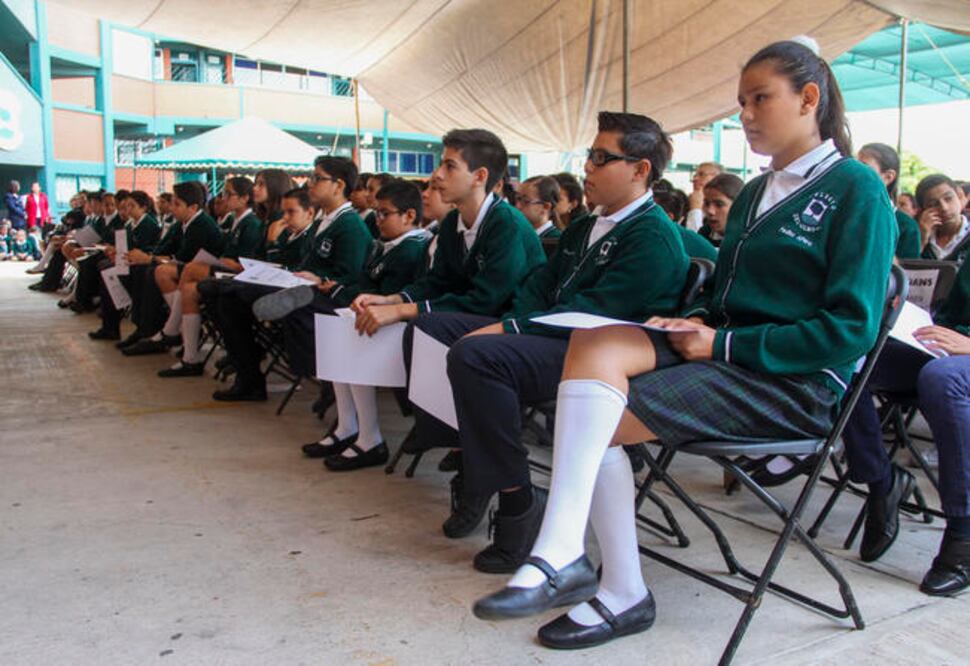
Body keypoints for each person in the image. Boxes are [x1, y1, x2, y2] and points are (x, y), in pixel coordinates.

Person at [472, 38, 896, 650]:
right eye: (740, 101)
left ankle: (614, 588)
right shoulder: (754, 191)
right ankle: (566, 554)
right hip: (730, 351)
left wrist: (721, 345)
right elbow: (725, 297)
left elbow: (850, 330)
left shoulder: (856, 189)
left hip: (795, 382)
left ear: (808, 99)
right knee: (594, 349)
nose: (745, 114)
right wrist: (693, 321)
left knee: (599, 417)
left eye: (760, 99)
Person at [439, 111, 689, 574]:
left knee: (476, 355)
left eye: (600, 158)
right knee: (443, 335)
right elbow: (538, 283)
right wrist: (515, 322)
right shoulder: (584, 225)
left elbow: (598, 313)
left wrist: (511, 330)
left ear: (640, 170)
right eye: (589, 156)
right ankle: (481, 467)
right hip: (561, 338)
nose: (587, 168)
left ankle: (515, 499)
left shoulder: (653, 236)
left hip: (601, 358)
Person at [349, 129, 545, 463]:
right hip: (475, 314)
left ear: (479, 177)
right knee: (382, 318)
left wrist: (405, 311)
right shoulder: (455, 220)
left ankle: (449, 430)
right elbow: (437, 281)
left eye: (449, 167)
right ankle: (439, 426)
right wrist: (393, 299)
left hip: (510, 322)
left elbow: (487, 300)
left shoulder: (506, 224)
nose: (436, 176)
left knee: (425, 326)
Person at [253, 180, 430, 469]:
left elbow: (387, 296)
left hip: (399, 327)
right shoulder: (386, 245)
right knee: (336, 330)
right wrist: (337, 289)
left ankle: (370, 437)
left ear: (409, 216)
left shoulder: (411, 249)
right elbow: (364, 285)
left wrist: (337, 290)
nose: (378, 220)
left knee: (346, 335)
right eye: (377, 213)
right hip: (371, 316)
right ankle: (347, 426)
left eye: (385, 213)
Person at [841, 255, 970, 594]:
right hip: (950, 351)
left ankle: (964, 532)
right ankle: (882, 481)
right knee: (847, 357)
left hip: (958, 363)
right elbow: (952, 316)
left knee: (943, 380)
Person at [208, 156, 371, 401]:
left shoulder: (350, 226)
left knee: (237, 295)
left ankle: (319, 376)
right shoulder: (323, 223)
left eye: (317, 178)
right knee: (219, 292)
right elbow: (304, 262)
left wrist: (319, 278)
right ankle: (248, 370)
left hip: (325, 296)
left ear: (338, 186)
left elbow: (350, 275)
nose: (310, 183)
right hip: (300, 285)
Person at [153, 176, 264, 376]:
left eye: (228, 194)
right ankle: (190, 358)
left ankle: (171, 329)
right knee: (188, 289)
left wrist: (230, 262)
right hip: (226, 268)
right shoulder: (237, 221)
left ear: (244, 198)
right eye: (223, 193)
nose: (223, 198)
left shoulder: (251, 223)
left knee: (191, 269)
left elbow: (246, 259)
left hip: (240, 274)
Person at [120, 182, 223, 355]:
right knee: (139, 269)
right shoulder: (181, 224)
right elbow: (163, 248)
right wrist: (147, 257)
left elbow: (182, 258)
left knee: (153, 271)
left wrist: (149, 258)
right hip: (185, 269)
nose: (171, 208)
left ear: (193, 207)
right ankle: (149, 328)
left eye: (177, 204)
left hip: (201, 272)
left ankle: (158, 330)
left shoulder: (201, 225)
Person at [857, 143, 921, 259]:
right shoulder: (845, 212)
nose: (854, 173)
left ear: (888, 177)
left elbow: (907, 271)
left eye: (863, 168)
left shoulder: (906, 226)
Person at [917, 174, 969, 263]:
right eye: (933, 204)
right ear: (923, 211)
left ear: (959, 196)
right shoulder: (921, 239)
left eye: (948, 199)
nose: (944, 208)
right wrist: (922, 240)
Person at [698, 173, 743, 247]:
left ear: (738, 206)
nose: (710, 211)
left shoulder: (751, 241)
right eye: (707, 203)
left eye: (719, 204)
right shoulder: (703, 235)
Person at [684, 161, 724, 231]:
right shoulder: (686, 204)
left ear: (717, 178)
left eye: (701, 175)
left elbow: (695, 240)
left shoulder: (722, 210)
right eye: (694, 175)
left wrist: (695, 210)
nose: (694, 179)